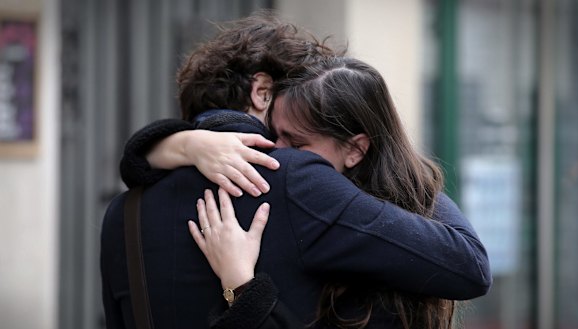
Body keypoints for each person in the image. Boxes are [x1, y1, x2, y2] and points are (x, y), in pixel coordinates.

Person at [101, 13, 491, 329]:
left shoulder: (123, 212)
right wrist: (397, 157)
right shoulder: (296, 178)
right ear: (262, 91)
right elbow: (467, 265)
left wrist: (177, 143)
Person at [189, 56, 472, 328]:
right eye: (275, 134)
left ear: (355, 149)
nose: (279, 152)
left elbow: (472, 266)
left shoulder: (370, 227)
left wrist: (239, 285)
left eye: (298, 144)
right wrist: (184, 144)